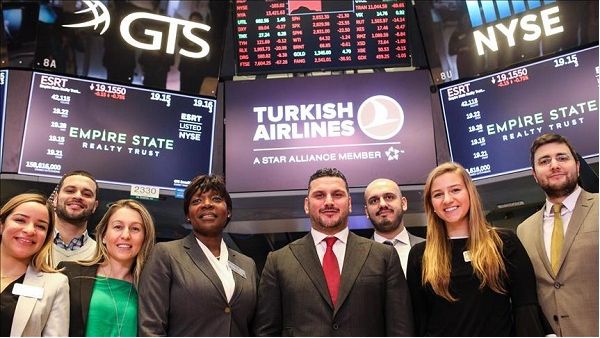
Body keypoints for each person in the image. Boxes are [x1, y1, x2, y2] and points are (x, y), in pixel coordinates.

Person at [254, 168, 413, 336]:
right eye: (319, 195)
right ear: (307, 205)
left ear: (350, 204)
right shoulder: (278, 261)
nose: (329, 202)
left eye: (337, 195)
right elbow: (266, 332)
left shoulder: (384, 256)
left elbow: (400, 329)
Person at [407, 162, 552, 336]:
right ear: (432, 205)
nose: (447, 199)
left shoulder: (503, 242)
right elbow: (420, 318)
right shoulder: (419, 254)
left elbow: (525, 305)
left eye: (455, 190)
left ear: (470, 194)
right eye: (438, 194)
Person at [138, 174, 258, 336]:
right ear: (188, 215)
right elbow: (150, 327)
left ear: (228, 211)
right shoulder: (166, 254)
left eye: (216, 199)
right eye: (196, 201)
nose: (207, 204)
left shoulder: (247, 264)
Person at [517, 133, 598, 336]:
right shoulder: (523, 230)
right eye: (544, 161)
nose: (554, 165)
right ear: (534, 174)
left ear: (577, 166)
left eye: (562, 158)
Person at [58, 199, 156, 336]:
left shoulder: (152, 288)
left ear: (144, 239)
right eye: (118, 227)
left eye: (135, 229)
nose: (126, 235)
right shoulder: (70, 274)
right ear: (104, 235)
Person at [0, 193, 69, 336]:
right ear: (1, 225)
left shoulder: (55, 284)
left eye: (40, 226)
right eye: (20, 220)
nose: (30, 230)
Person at [364, 178, 424, 276]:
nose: (382, 204)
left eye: (389, 197)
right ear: (366, 211)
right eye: (374, 201)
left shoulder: (430, 248)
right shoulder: (357, 256)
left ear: (403, 203)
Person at [51, 170, 99, 265]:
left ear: (95, 206)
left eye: (87, 194)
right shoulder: (33, 242)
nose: (78, 196)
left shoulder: (101, 256)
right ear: (55, 199)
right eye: (70, 191)